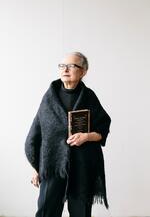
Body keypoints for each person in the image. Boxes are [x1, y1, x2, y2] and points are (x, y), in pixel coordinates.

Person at [25, 52, 111, 217]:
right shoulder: (49, 98)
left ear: (83, 72)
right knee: (46, 211)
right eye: (62, 66)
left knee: (81, 212)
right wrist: (36, 167)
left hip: (82, 165)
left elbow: (103, 126)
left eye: (71, 66)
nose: (65, 69)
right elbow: (36, 133)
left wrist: (87, 136)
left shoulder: (89, 97)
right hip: (52, 164)